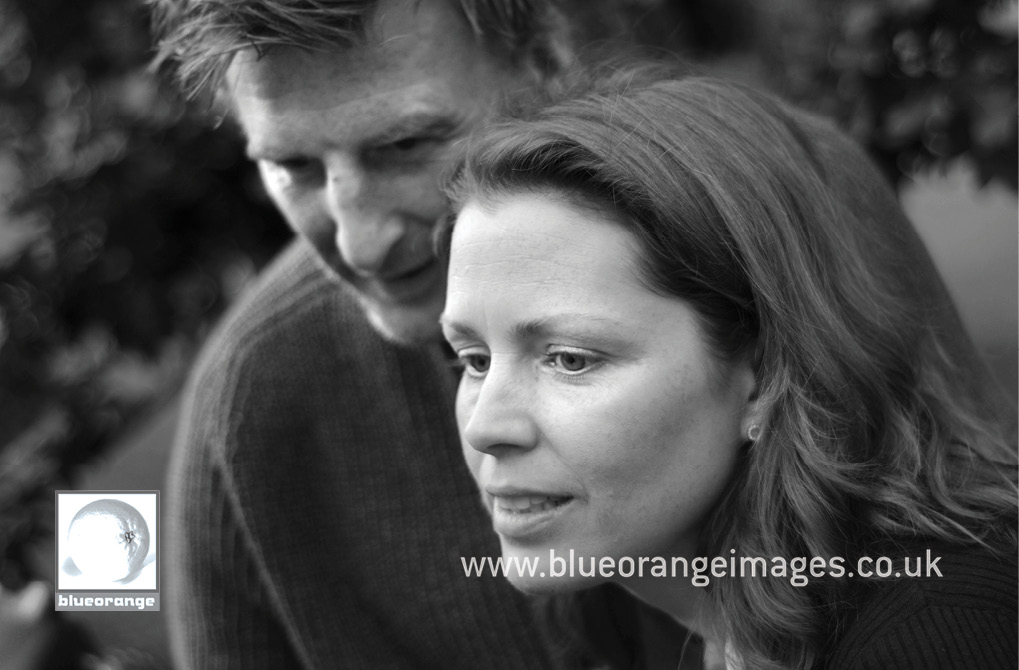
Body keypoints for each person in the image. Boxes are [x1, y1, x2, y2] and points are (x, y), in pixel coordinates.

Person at [149, 1, 696, 668]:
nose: (360, 244)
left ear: (546, 58)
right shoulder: (255, 406)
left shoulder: (763, 218)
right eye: (294, 167)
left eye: (403, 146)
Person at [439, 65, 1018, 670]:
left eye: (570, 359)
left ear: (764, 379)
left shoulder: (948, 631)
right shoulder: (617, 595)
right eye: (474, 359)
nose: (485, 426)